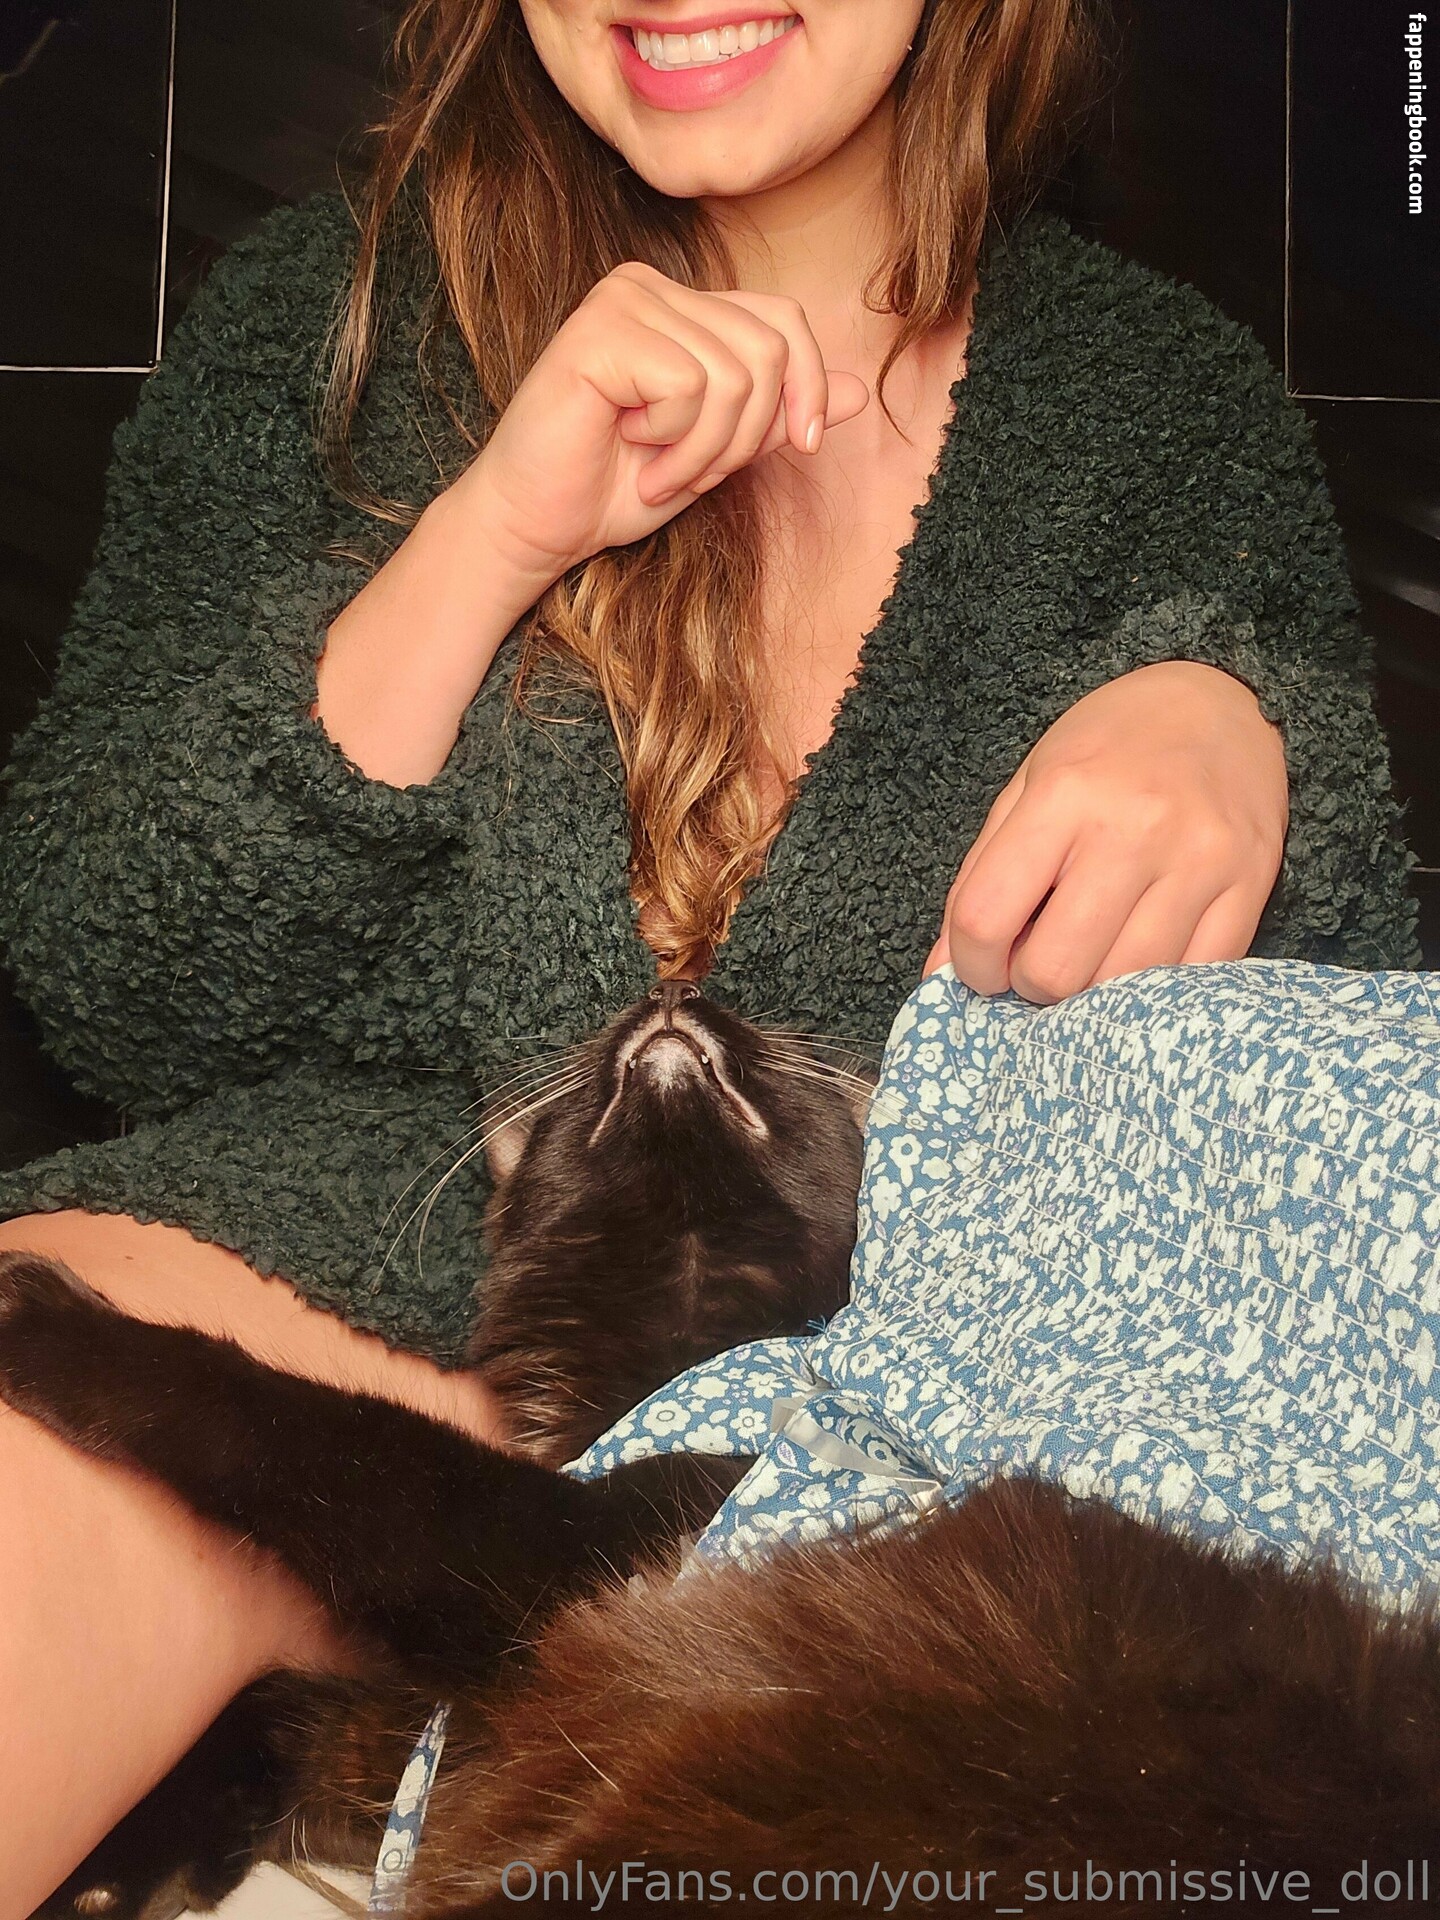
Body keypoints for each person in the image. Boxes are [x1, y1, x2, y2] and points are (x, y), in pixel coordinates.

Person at [0, 0, 1418, 1908]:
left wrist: (1244, 732)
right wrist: (487, 538)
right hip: (334, 1270)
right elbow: (114, 975)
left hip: (913, 1390)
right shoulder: (335, 320)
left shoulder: (1157, 402)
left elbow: (1306, 1233)